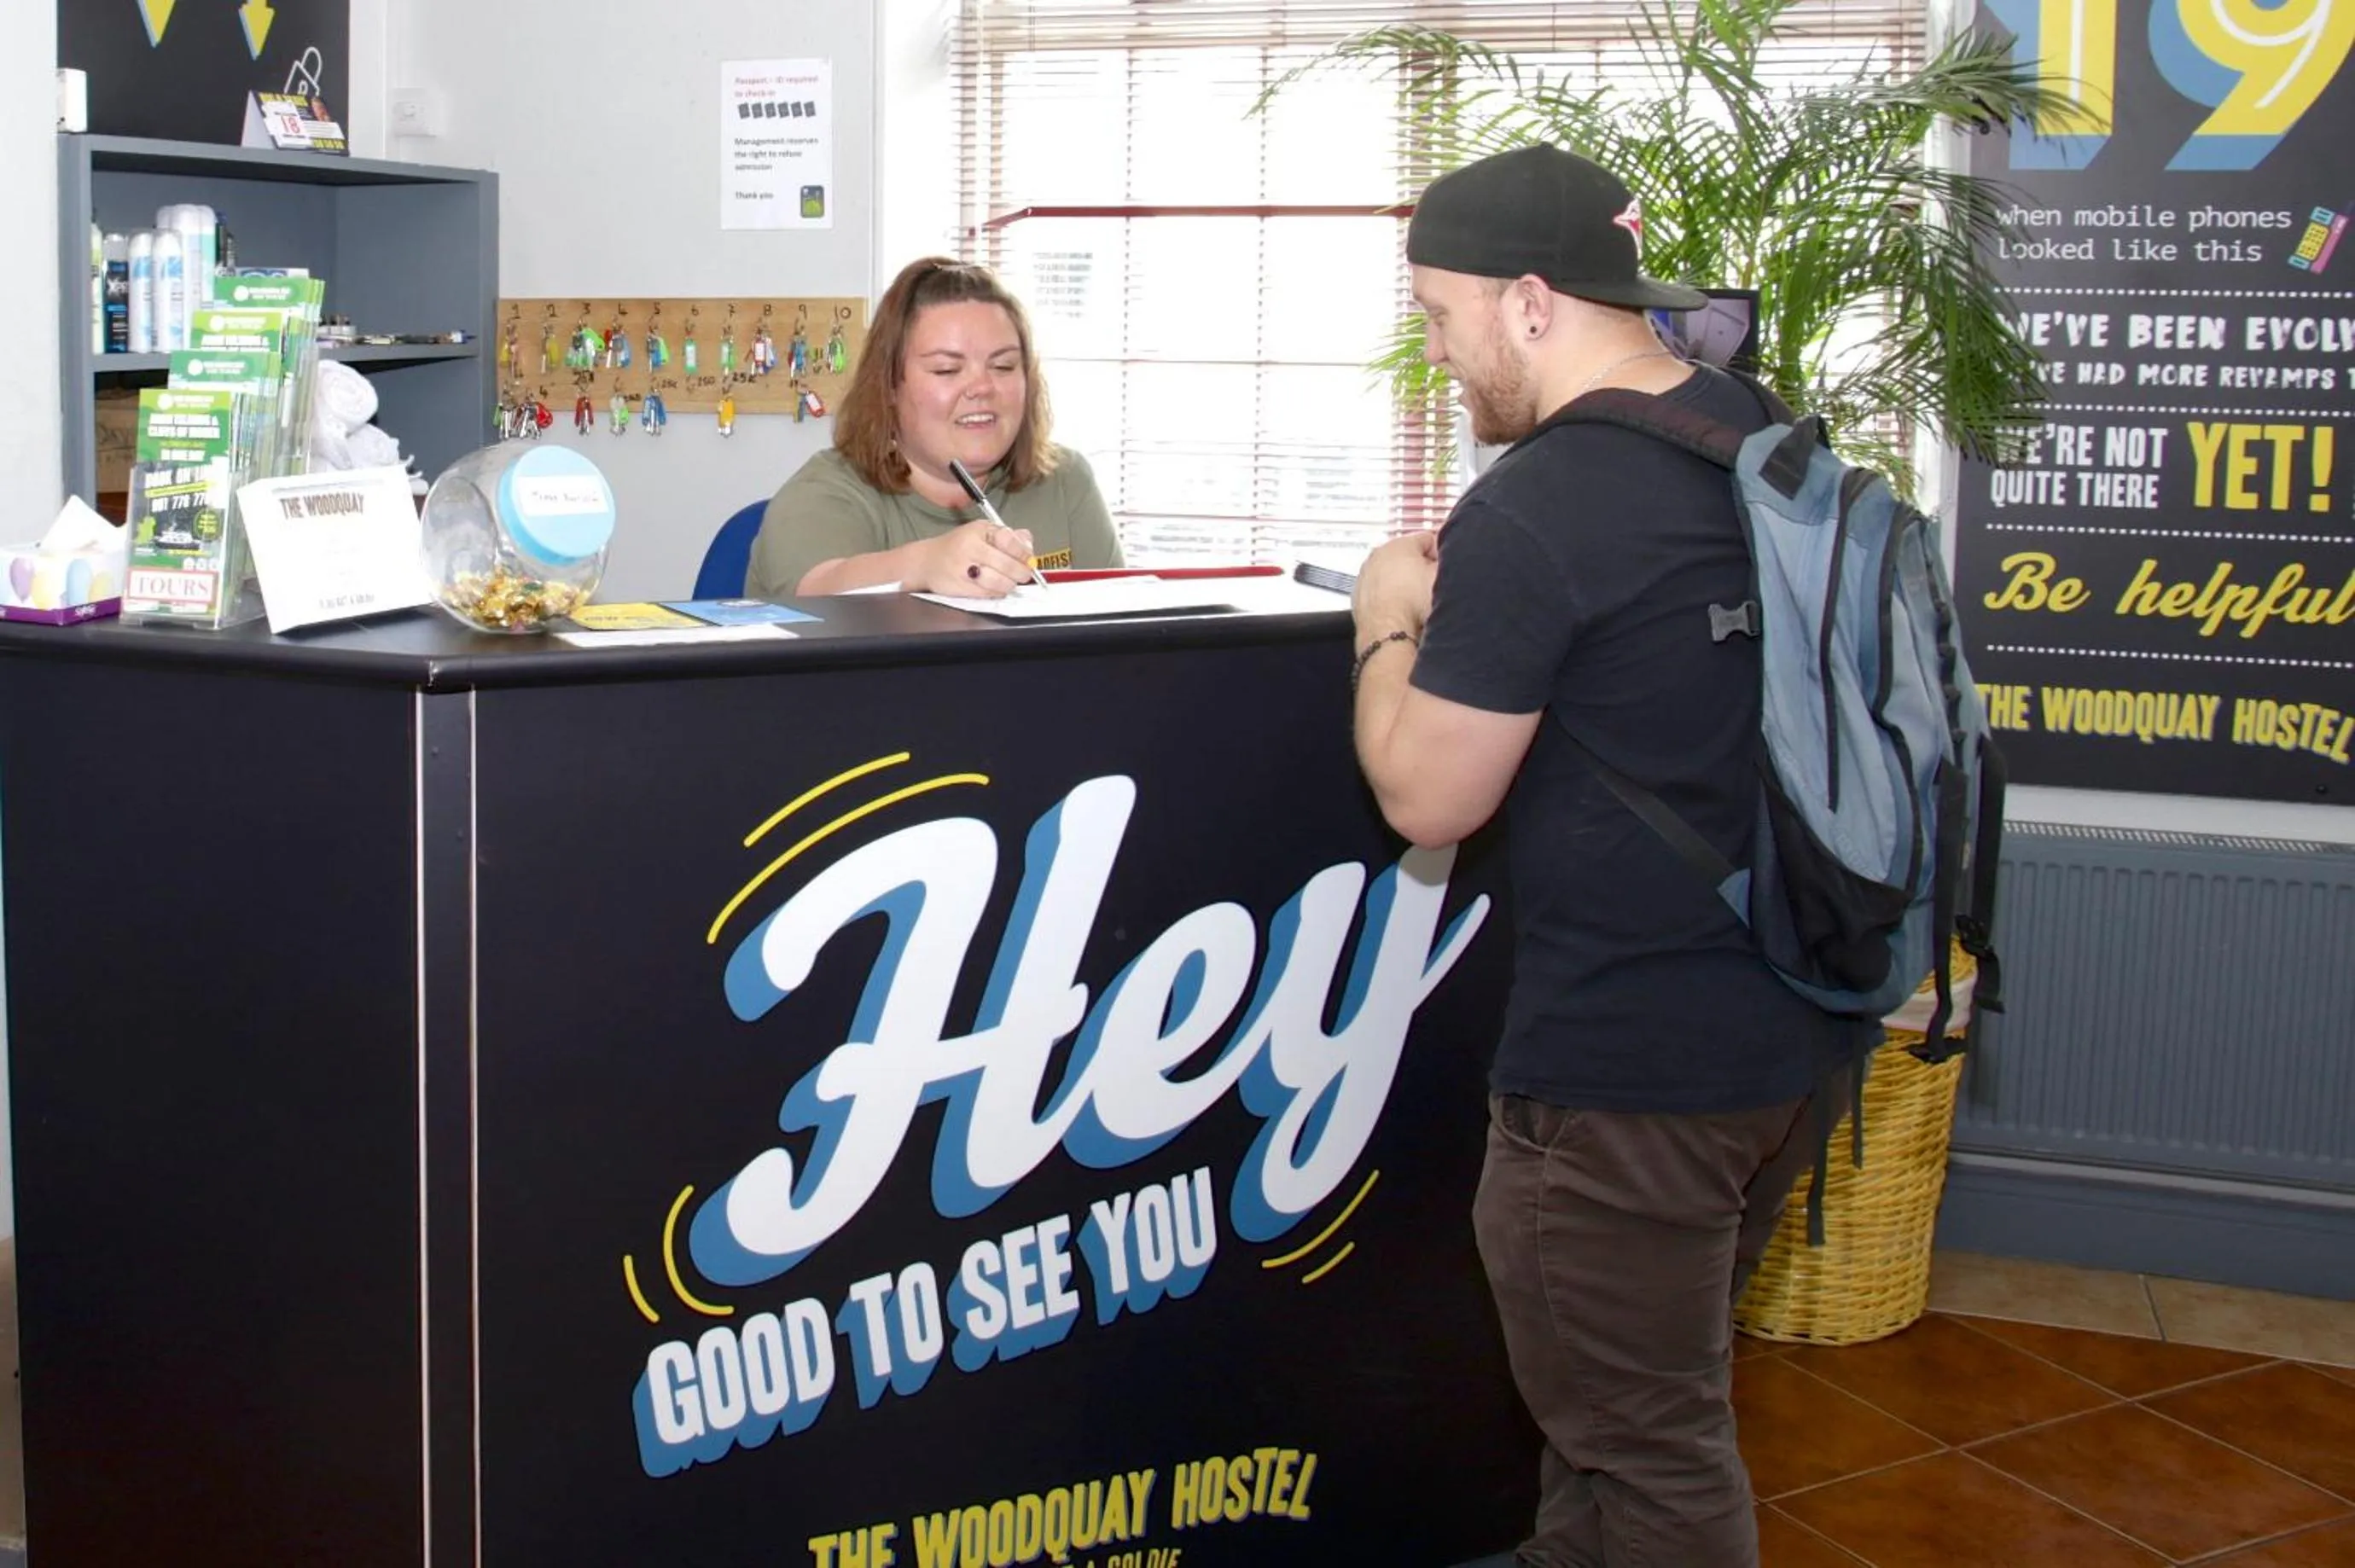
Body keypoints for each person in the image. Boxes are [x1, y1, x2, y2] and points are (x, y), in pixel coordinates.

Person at [1347, 144, 1867, 1566]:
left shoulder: (1538, 509)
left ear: (1527, 302)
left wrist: (1388, 618)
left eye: (1445, 318)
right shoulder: (1762, 430)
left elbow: (1428, 795)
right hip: (1794, 1030)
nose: (1443, 357)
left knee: (1646, 1446)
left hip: (1629, 1078)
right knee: (1610, 1419)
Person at [746, 257, 1122, 597]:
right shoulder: (823, 494)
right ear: (890, 385)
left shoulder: (1065, 482)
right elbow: (817, 592)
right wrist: (925, 565)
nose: (983, 388)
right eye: (947, 369)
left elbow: (1121, 639)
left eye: (1004, 366)